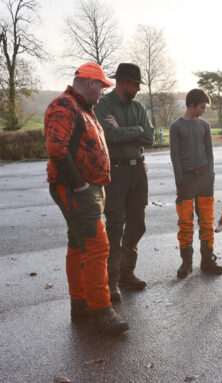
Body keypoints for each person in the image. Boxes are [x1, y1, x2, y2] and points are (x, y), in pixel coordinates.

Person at [44, 62, 128, 334]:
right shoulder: (65, 106)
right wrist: (79, 185)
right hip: (76, 189)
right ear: (92, 84)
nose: (103, 92)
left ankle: (80, 305)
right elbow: (57, 148)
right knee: (97, 246)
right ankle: (102, 312)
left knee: (79, 244)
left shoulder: (82, 108)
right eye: (102, 87)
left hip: (87, 188)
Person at [94, 63, 154, 301]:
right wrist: (135, 130)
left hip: (138, 169)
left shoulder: (139, 107)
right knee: (115, 224)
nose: (138, 88)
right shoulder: (103, 105)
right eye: (135, 84)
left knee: (137, 223)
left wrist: (124, 130)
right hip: (115, 171)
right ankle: (112, 280)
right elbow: (107, 135)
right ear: (122, 83)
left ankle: (127, 272)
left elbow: (149, 137)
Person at [169, 89, 222, 278]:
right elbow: (174, 157)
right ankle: (186, 262)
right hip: (186, 180)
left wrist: (210, 174)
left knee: (207, 222)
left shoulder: (204, 126)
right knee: (185, 223)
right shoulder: (176, 127)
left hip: (204, 180)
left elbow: (209, 153)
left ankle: (207, 260)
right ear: (191, 105)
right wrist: (180, 180)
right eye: (201, 107)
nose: (203, 111)